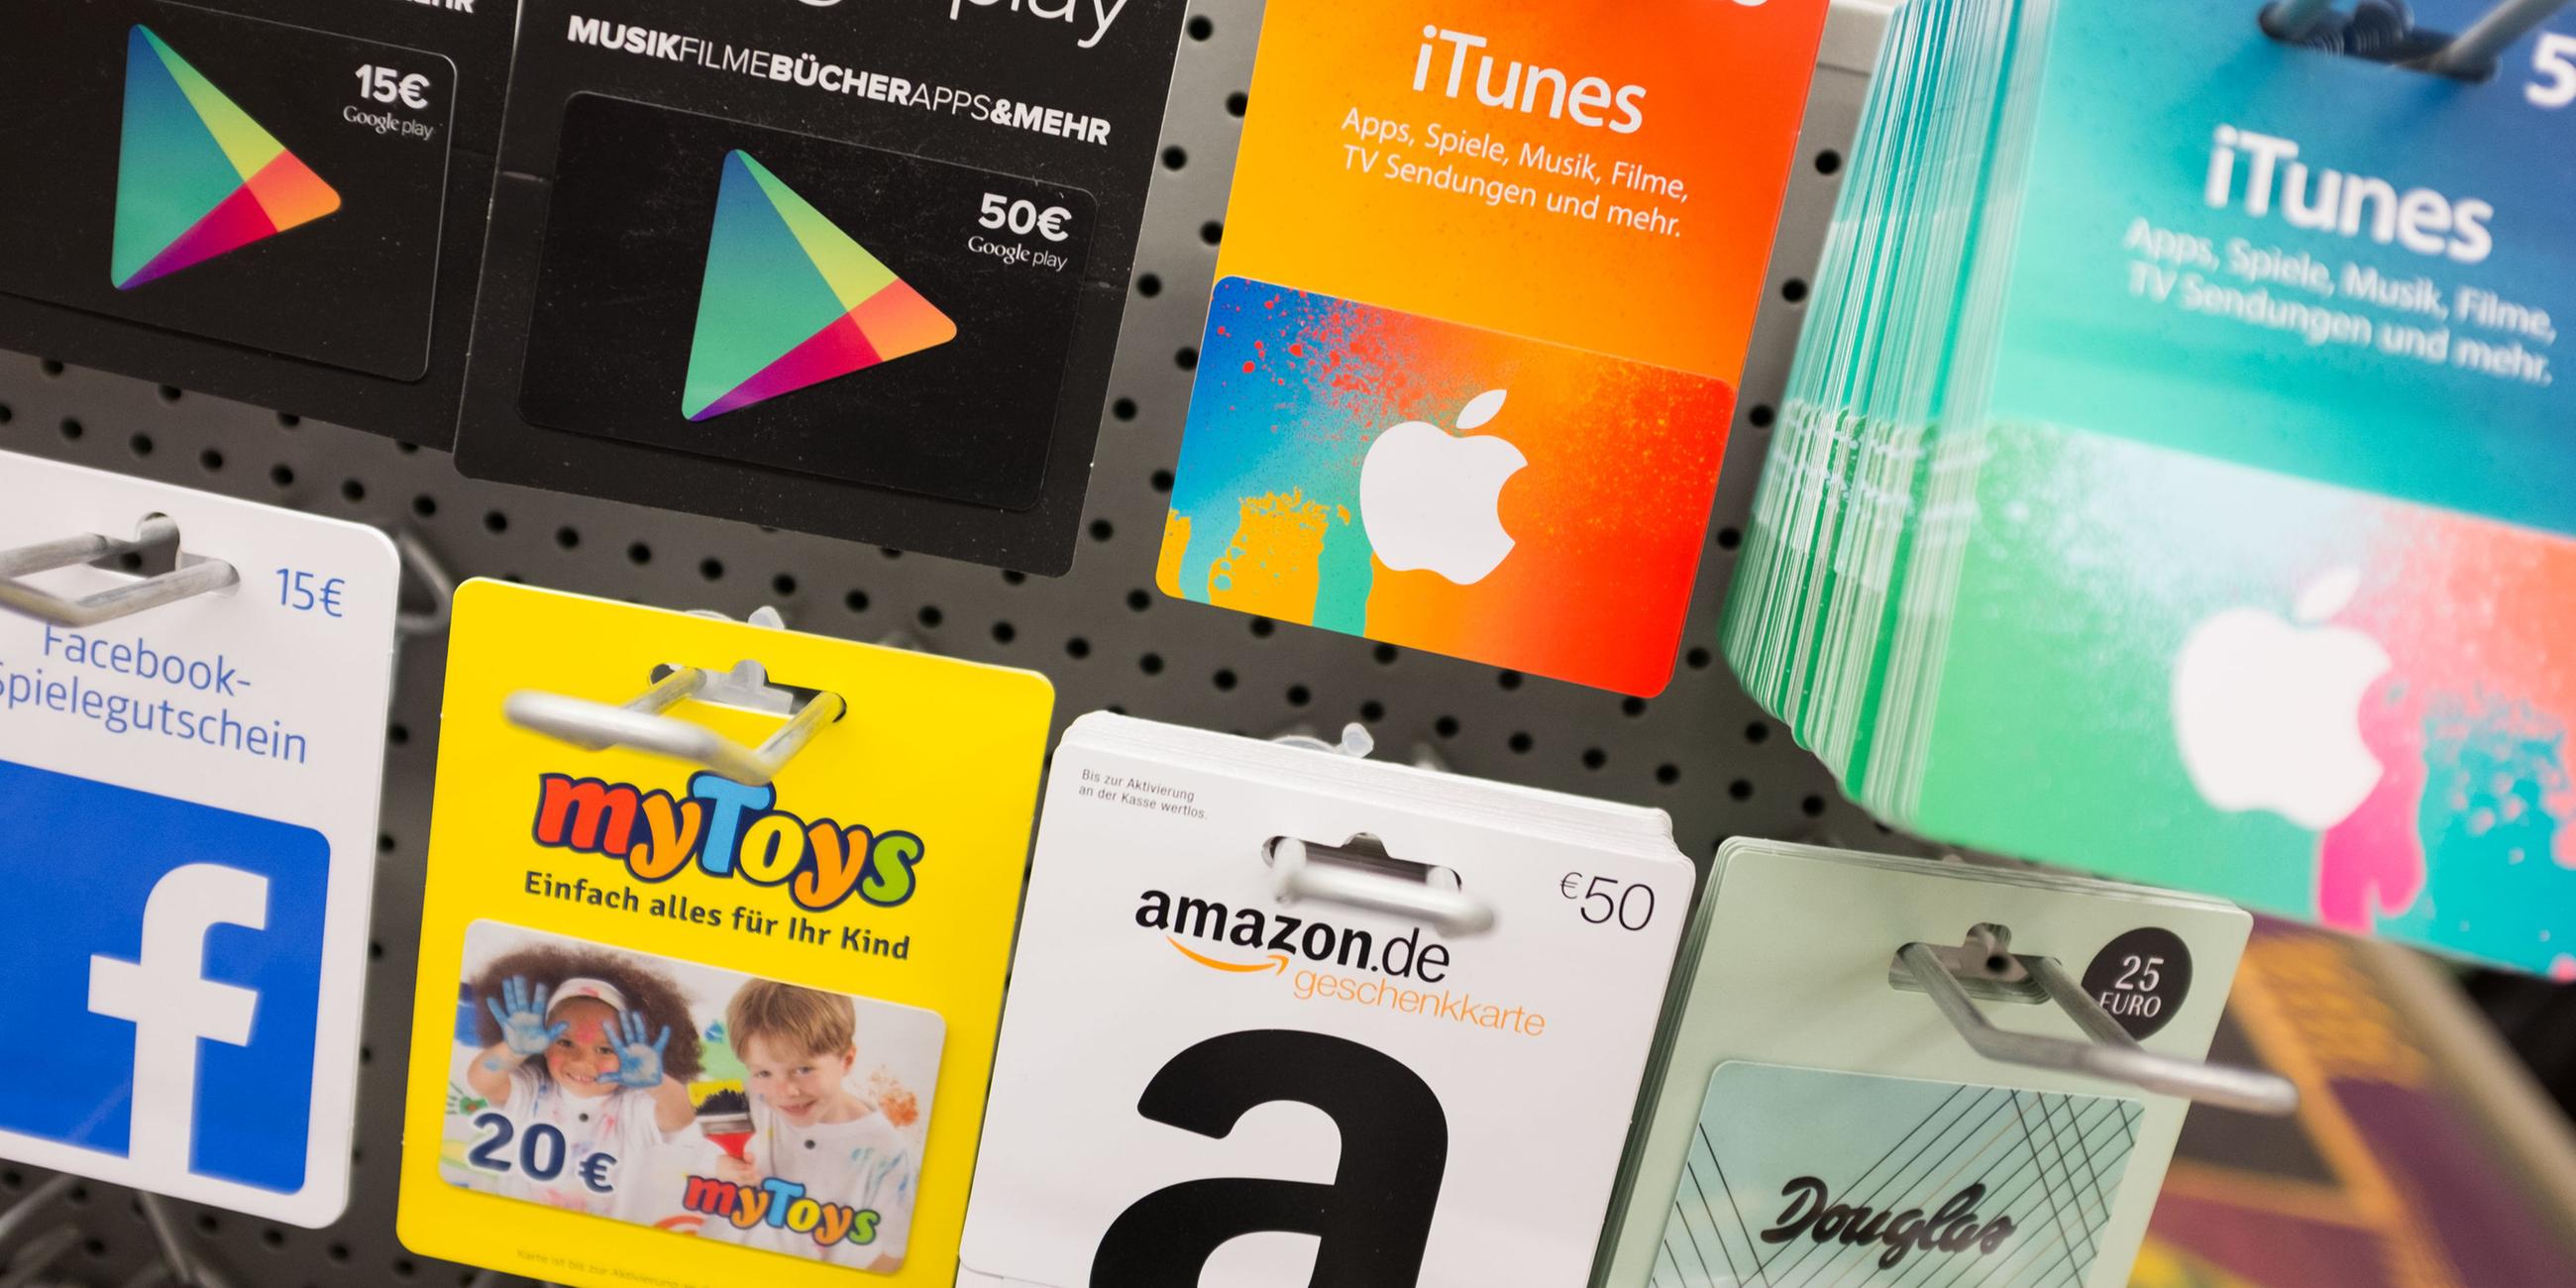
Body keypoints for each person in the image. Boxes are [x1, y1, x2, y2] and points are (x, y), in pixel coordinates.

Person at [464, 946, 701, 1218]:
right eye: (565, 1042)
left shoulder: (631, 1107)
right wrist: (514, 1049)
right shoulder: (532, 1089)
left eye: (606, 1049)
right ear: (543, 1044)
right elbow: (482, 1082)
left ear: (630, 1051)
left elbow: (681, 1115)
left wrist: (655, 1081)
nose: (583, 1062)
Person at [702, 980, 915, 1271]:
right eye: (763, 1073)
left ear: (846, 1060)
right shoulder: (746, 1101)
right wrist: (722, 1168)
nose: (785, 1091)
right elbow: (691, 1152)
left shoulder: (884, 1152)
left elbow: (898, 1251)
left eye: (803, 1069)